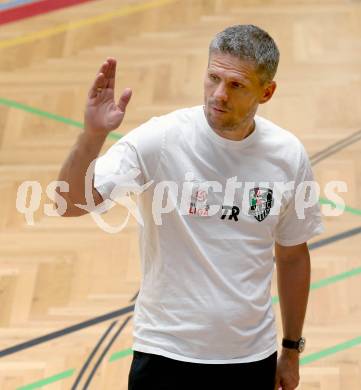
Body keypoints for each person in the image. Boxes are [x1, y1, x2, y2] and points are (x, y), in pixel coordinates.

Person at [55, 24, 324, 389]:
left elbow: (293, 256)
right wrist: (92, 136)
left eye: (236, 85)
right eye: (213, 77)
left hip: (249, 358)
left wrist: (291, 350)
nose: (219, 94)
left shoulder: (286, 156)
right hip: (165, 354)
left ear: (267, 91)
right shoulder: (161, 140)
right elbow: (69, 204)